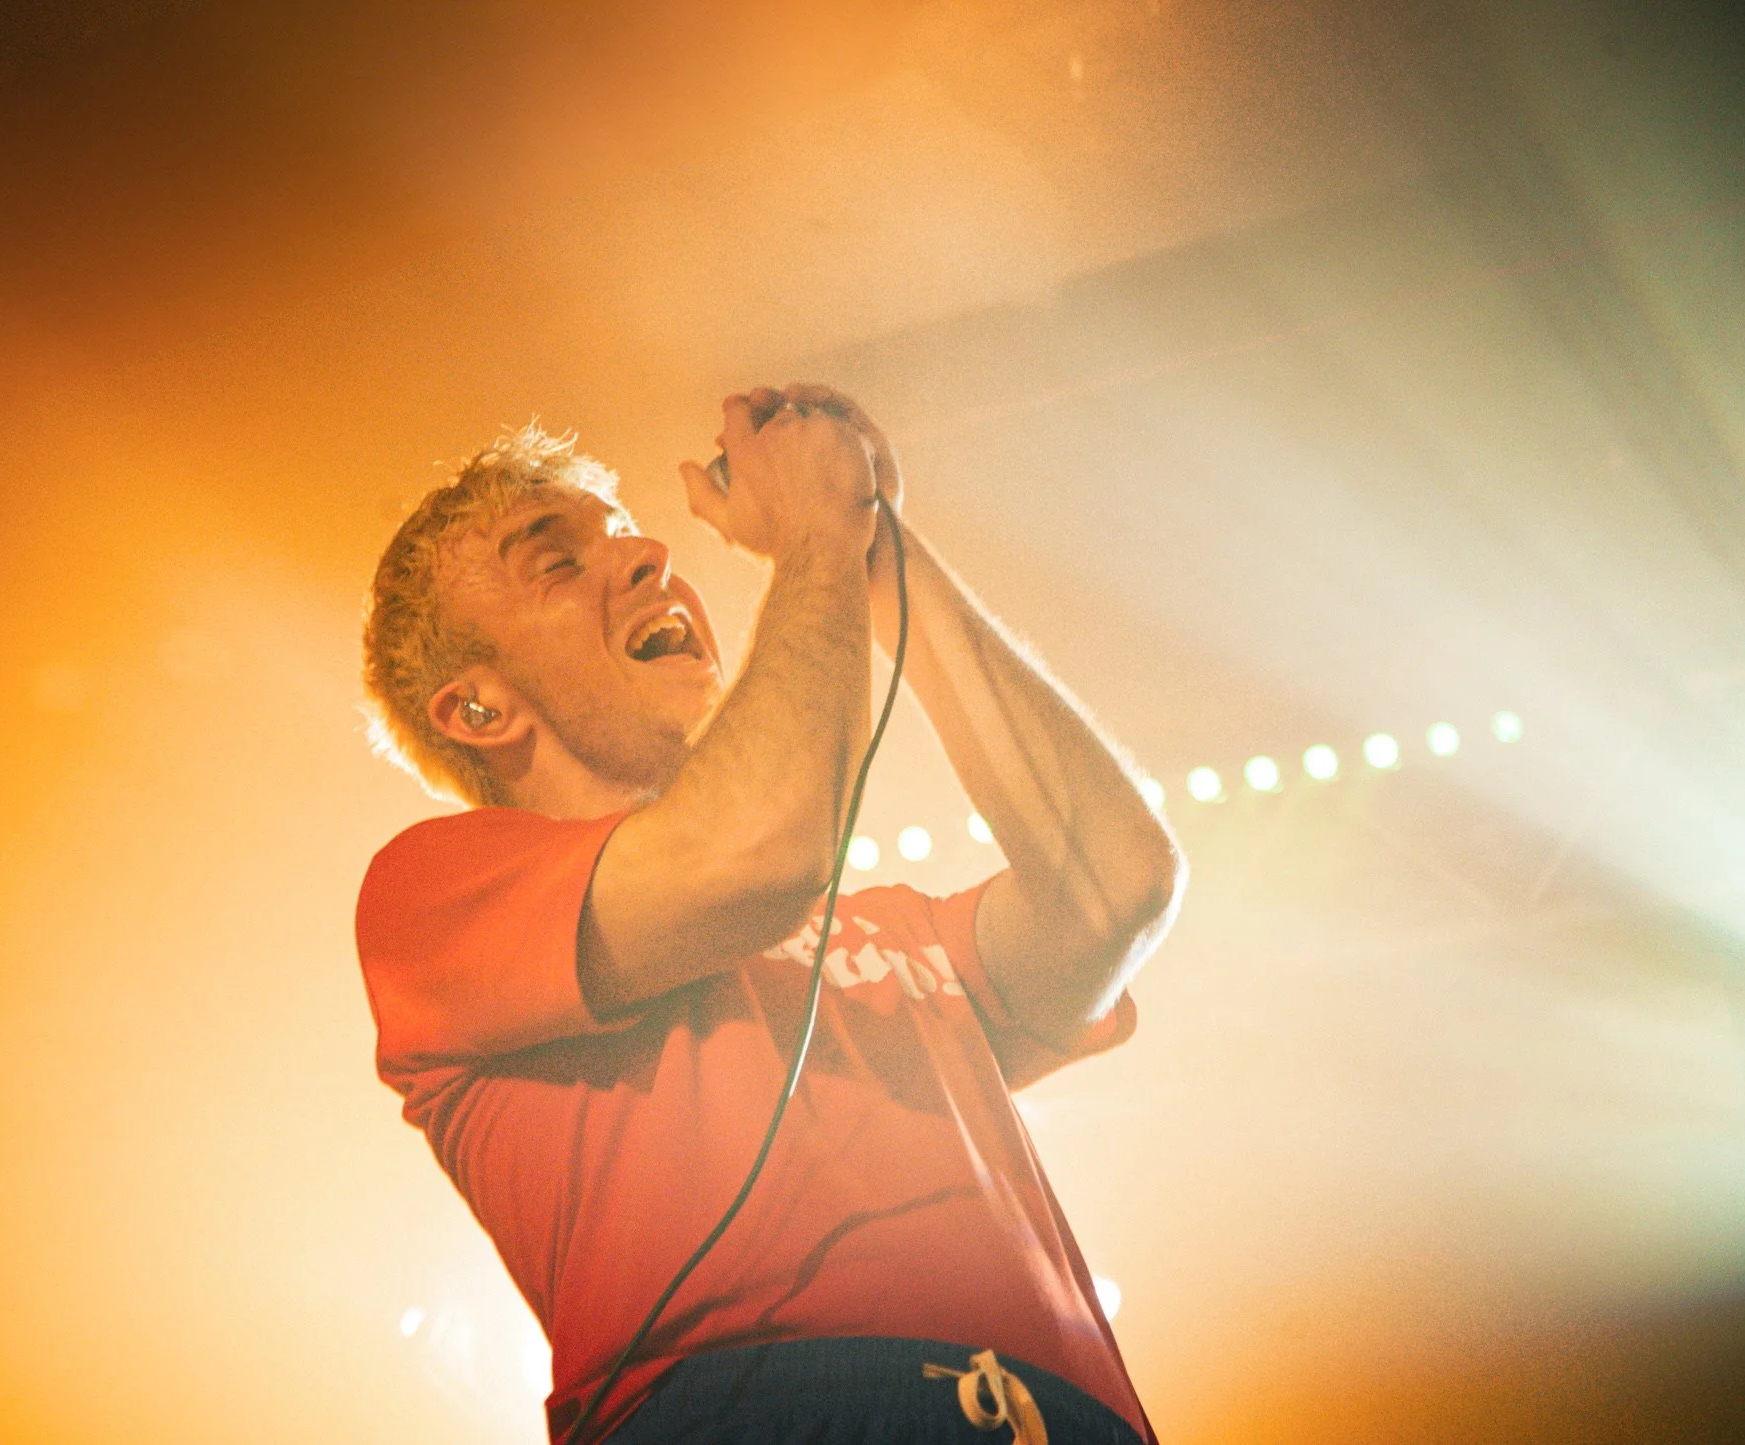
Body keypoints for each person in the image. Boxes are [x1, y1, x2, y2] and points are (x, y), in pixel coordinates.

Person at [354, 384, 1185, 1444]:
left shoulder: (890, 930)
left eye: (627, 533)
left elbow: (1115, 886)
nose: (649, 555)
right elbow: (761, 844)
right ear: (479, 708)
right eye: (556, 562)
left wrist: (873, 538)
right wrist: (812, 539)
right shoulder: (433, 893)